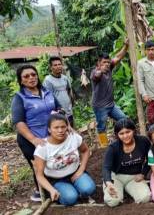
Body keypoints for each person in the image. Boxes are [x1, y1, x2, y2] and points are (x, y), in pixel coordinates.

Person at [11, 65, 62, 202]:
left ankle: (53, 188)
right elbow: (18, 122)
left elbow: (59, 109)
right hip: (30, 139)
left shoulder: (47, 92)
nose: (31, 78)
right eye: (26, 76)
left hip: (50, 137)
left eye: (33, 74)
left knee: (54, 162)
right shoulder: (19, 98)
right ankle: (40, 192)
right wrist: (33, 139)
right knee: (39, 166)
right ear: (21, 81)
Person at [33, 114, 95, 206]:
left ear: (67, 127)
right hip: (56, 180)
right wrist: (51, 190)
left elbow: (85, 151)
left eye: (63, 127)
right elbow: (39, 176)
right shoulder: (43, 147)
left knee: (89, 189)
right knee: (70, 198)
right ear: (49, 129)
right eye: (56, 127)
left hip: (75, 172)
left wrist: (81, 170)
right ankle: (69, 192)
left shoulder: (73, 137)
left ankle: (77, 189)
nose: (60, 130)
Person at [102, 118, 151, 207]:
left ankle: (127, 189)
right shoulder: (113, 148)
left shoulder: (143, 141)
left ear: (134, 130)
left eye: (128, 132)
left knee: (145, 198)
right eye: (121, 133)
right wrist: (108, 183)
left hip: (134, 177)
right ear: (117, 135)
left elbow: (150, 159)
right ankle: (119, 189)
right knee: (112, 201)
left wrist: (143, 174)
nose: (125, 136)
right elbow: (106, 167)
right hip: (116, 177)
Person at [91, 40, 129, 147]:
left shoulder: (109, 68)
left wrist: (126, 45)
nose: (107, 64)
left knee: (123, 119)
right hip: (100, 107)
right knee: (102, 126)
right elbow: (96, 76)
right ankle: (103, 145)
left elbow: (118, 57)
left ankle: (120, 139)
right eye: (104, 62)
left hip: (111, 105)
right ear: (98, 63)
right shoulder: (95, 72)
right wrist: (100, 71)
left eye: (108, 62)